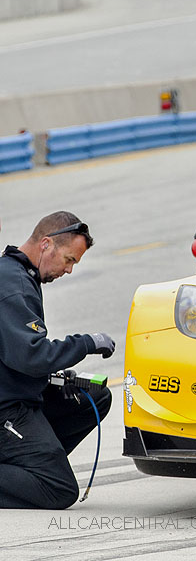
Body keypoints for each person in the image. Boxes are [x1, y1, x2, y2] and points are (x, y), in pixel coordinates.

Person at [0, 212, 115, 510]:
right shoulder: (13, 285)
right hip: (6, 409)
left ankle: (33, 461)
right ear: (46, 244)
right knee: (59, 488)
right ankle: (38, 469)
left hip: (19, 393)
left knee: (95, 397)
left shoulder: (19, 274)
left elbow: (17, 353)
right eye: (69, 260)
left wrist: (55, 375)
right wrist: (86, 343)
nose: (69, 270)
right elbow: (32, 355)